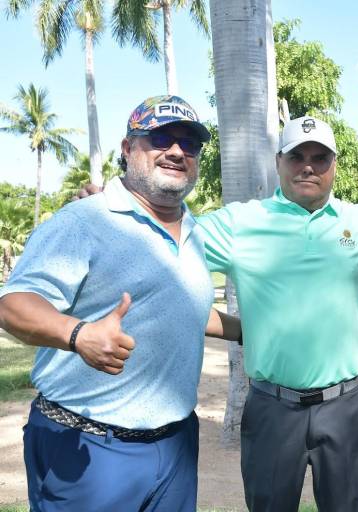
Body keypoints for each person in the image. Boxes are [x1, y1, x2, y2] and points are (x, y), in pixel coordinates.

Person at [0, 95, 241, 512]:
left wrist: (252, 331)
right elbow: (13, 304)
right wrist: (78, 335)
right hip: (89, 448)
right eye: (161, 137)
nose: (177, 151)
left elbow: (184, 310)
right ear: (128, 149)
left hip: (175, 443)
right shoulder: (84, 220)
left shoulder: (194, 231)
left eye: (190, 144)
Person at [196, 115, 358, 511]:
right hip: (272, 408)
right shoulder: (240, 222)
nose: (308, 166)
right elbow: (167, 243)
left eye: (320, 157)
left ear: (335, 165)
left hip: (346, 404)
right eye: (296, 156)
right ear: (278, 161)